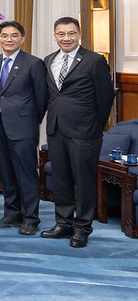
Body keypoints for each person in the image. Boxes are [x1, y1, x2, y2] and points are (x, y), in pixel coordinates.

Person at [40, 16, 114, 248]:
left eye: (71, 33)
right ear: (55, 36)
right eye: (61, 34)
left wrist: (95, 126)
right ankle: (63, 223)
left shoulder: (94, 60)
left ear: (79, 34)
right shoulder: (48, 60)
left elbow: (105, 97)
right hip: (56, 129)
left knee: (83, 180)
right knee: (60, 178)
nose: (66, 38)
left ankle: (82, 228)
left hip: (85, 132)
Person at [0, 21, 47, 236]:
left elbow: (42, 99)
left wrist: (29, 120)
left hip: (23, 126)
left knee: (26, 173)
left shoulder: (33, 63)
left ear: (22, 38)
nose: (9, 39)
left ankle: (31, 218)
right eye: (4, 35)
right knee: (7, 173)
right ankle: (12, 213)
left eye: (14, 35)